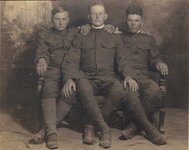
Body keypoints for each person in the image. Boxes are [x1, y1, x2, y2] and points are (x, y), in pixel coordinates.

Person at [61, 1, 131, 148]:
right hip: (88, 78)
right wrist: (68, 78)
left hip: (108, 79)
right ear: (89, 16)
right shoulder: (81, 35)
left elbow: (123, 60)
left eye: (100, 13)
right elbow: (72, 59)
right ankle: (105, 130)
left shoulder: (114, 35)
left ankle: (90, 127)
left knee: (119, 88)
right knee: (83, 86)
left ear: (106, 16)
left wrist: (128, 76)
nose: (97, 16)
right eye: (94, 13)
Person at [118, 5, 168, 145]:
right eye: (130, 20)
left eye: (136, 20)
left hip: (144, 77)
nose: (133, 24)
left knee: (154, 90)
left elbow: (154, 58)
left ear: (141, 22)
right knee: (131, 93)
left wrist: (159, 63)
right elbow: (118, 61)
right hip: (125, 78)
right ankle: (150, 130)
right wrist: (127, 76)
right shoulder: (118, 37)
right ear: (126, 21)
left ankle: (134, 127)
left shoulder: (149, 39)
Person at [34, 6, 81, 149]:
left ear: (68, 20)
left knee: (71, 90)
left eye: (64, 19)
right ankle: (52, 133)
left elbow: (94, 27)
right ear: (52, 20)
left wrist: (110, 27)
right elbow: (42, 50)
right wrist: (42, 59)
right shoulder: (45, 35)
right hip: (52, 69)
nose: (60, 22)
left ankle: (46, 131)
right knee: (48, 87)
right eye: (57, 19)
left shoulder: (76, 33)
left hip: (71, 70)